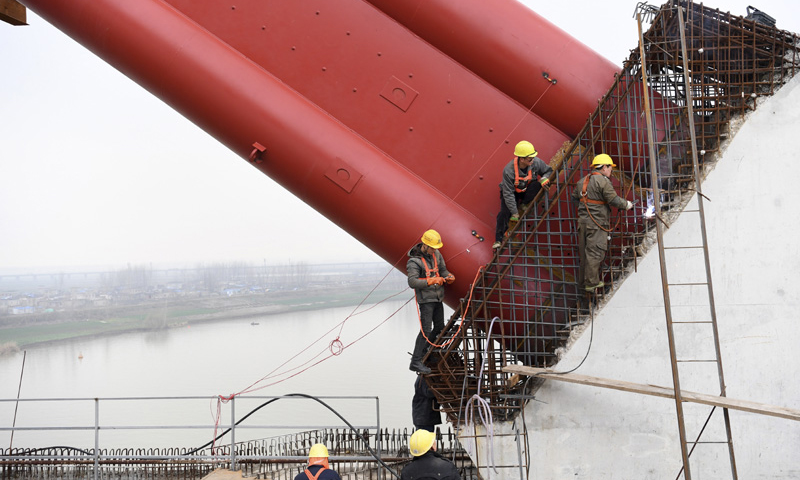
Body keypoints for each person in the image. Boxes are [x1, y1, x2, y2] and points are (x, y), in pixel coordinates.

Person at [571, 154, 633, 292]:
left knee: (585, 254)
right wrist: (627, 205)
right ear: (604, 167)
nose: (611, 171)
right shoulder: (603, 181)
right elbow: (614, 200)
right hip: (597, 223)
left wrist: (587, 211)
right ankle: (592, 283)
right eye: (610, 167)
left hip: (583, 223)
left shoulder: (582, 181)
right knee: (595, 252)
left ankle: (583, 283)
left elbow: (575, 198)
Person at [406, 229, 455, 374]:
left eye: (435, 248)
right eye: (432, 248)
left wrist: (449, 276)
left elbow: (443, 270)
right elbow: (412, 282)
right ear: (425, 245)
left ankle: (428, 353)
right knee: (426, 330)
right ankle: (415, 362)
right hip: (426, 300)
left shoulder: (436, 254)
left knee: (439, 326)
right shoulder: (414, 262)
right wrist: (432, 280)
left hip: (438, 297)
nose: (434, 250)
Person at [493, 140, 554, 249]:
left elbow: (548, 170)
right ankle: (498, 240)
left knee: (537, 184)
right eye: (530, 158)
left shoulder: (536, 163)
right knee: (503, 213)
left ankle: (524, 203)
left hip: (526, 189)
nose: (533, 160)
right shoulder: (508, 170)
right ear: (522, 159)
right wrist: (514, 212)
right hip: (512, 193)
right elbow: (508, 193)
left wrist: (545, 178)